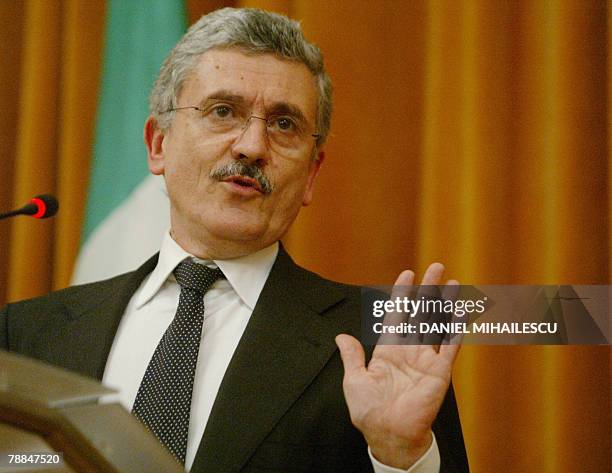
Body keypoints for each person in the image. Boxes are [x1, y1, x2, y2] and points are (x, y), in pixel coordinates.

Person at [0, 8, 468, 473]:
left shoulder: (381, 346)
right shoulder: (28, 334)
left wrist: (400, 457)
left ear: (311, 175)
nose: (252, 146)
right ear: (157, 144)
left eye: (284, 124)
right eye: (223, 112)